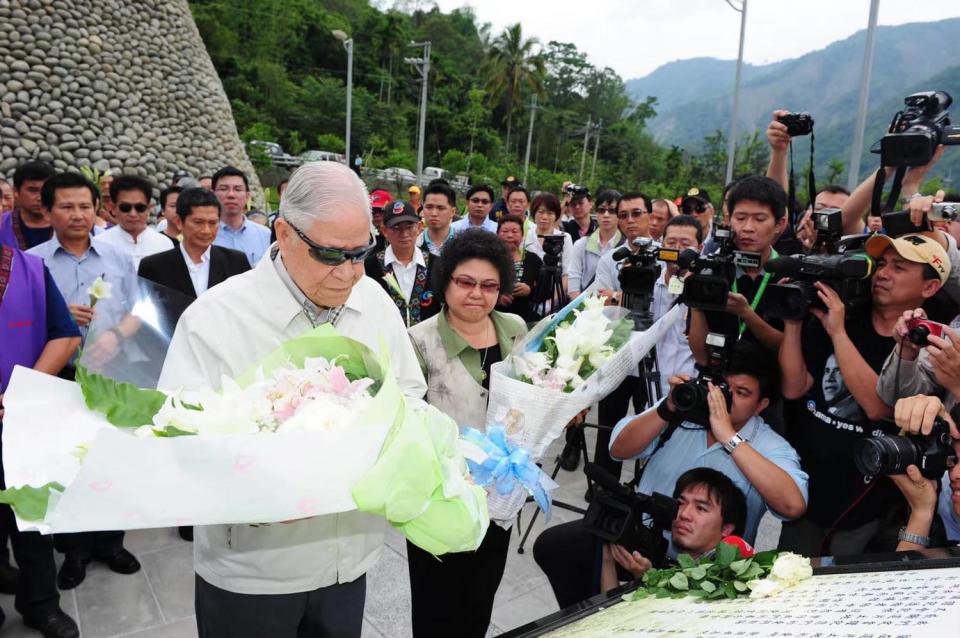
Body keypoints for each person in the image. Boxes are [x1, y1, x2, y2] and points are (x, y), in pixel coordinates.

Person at [158, 162, 425, 638]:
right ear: (282, 232)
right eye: (330, 254)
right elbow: (178, 441)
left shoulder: (375, 302)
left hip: (347, 560)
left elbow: (410, 392)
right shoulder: (216, 320)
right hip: (253, 571)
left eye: (361, 252)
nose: (349, 273)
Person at [778, 232, 949, 557]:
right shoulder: (844, 314)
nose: (883, 274)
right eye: (882, 264)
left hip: (870, 506)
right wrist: (794, 321)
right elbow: (793, 386)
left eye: (899, 268)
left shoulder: (925, 347)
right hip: (809, 494)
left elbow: (878, 407)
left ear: (929, 287)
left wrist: (838, 333)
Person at [407, 229, 526, 638]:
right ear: (446, 282)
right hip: (440, 498)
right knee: (435, 606)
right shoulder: (419, 341)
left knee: (479, 600)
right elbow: (409, 424)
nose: (477, 294)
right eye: (466, 282)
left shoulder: (515, 330)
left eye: (490, 285)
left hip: (501, 497)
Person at [0, 242, 81, 638]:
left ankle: (40, 605)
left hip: (21, 419)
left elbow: (65, 336)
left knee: (32, 519)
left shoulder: (29, 269)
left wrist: (20, 391)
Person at [536, 468, 747, 608]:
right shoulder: (685, 566)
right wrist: (609, 560)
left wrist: (652, 583)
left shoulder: (735, 558)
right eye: (681, 503)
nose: (684, 514)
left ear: (727, 528)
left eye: (701, 508)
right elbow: (615, 622)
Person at [688, 176, 789, 365]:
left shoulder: (788, 276)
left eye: (760, 219)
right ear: (728, 219)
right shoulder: (712, 270)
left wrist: (746, 314)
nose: (748, 228)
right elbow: (701, 357)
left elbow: (788, 349)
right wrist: (695, 300)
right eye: (740, 218)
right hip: (717, 385)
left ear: (779, 224)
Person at [138, 187, 250, 299]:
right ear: (179, 222)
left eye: (212, 223)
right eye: (198, 222)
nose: (206, 230)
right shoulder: (154, 267)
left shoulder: (236, 262)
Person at [884, 395, 960, 549]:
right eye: (954, 461)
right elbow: (902, 572)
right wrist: (921, 513)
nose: (954, 474)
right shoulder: (943, 491)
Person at [364, 201, 440, 327]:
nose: (404, 234)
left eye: (409, 226)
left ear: (419, 227)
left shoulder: (437, 265)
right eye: (396, 228)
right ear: (384, 230)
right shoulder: (370, 266)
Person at [97, 175, 174, 269]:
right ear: (113, 208)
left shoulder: (164, 244)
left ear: (149, 208)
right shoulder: (100, 244)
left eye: (139, 208)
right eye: (125, 208)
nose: (133, 214)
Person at [567, 189, 623, 297]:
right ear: (596, 213)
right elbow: (573, 283)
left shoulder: (625, 247)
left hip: (616, 307)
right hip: (583, 306)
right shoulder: (581, 244)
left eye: (612, 210)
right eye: (601, 210)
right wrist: (582, 310)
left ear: (620, 214)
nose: (606, 215)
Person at [211, 166, 271, 267]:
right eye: (224, 189)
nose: (231, 194)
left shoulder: (265, 235)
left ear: (247, 196)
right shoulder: (205, 234)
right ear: (212, 194)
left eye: (237, 189)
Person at [495, 214, 542, 322]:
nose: (510, 235)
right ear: (497, 234)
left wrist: (529, 290)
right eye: (505, 231)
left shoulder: (533, 259)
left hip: (525, 318)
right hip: (494, 317)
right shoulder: (489, 259)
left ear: (522, 235)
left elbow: (546, 289)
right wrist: (496, 298)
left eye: (515, 232)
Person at [0, 160, 56, 250]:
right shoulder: (2, 224)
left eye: (46, 190)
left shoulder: (68, 224)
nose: (40, 197)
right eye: (33, 190)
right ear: (15, 191)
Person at [524, 192, 573, 288]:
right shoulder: (525, 236)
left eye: (550, 213)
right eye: (541, 212)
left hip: (555, 293)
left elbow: (567, 273)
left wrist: (553, 301)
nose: (545, 217)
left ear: (556, 215)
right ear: (534, 213)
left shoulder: (565, 238)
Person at [416, 182, 457, 257]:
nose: (434, 213)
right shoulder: (414, 245)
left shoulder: (464, 245)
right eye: (429, 207)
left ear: (452, 212)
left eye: (440, 208)